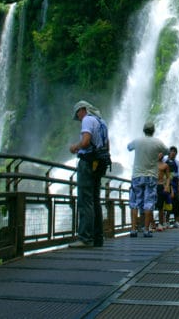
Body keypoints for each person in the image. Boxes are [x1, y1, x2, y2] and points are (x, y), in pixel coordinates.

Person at [69, 100, 110, 248]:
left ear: (83, 110)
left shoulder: (87, 120)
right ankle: (98, 237)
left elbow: (85, 141)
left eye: (77, 114)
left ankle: (85, 238)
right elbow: (107, 145)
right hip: (99, 163)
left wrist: (75, 147)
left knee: (85, 200)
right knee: (95, 200)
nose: (78, 118)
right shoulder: (102, 122)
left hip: (88, 162)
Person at [127, 121, 168, 238]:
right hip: (151, 176)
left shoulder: (137, 141)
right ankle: (146, 229)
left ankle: (133, 229)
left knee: (135, 202)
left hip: (137, 175)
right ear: (153, 130)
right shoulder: (158, 142)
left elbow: (128, 147)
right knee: (149, 202)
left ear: (143, 130)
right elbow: (166, 151)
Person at [165, 146, 179, 227]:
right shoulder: (164, 160)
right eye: (171, 151)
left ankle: (176, 221)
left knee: (177, 202)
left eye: (174, 151)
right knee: (168, 203)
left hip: (175, 185)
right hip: (166, 185)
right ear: (169, 152)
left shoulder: (177, 163)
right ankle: (166, 221)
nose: (173, 153)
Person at [155, 153, 171, 231]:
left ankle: (160, 223)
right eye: (158, 153)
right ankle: (151, 224)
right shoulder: (151, 164)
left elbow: (168, 177)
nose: (159, 155)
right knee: (150, 205)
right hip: (152, 185)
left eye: (161, 153)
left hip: (160, 185)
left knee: (160, 206)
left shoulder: (165, 165)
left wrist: (167, 186)